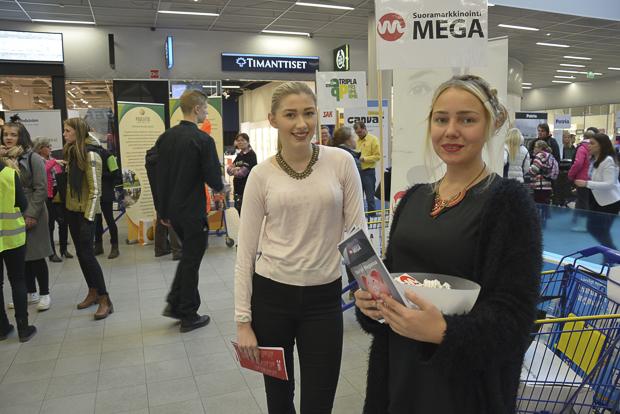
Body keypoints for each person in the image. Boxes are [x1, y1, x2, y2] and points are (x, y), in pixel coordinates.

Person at [354, 75, 541, 414]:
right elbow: (395, 277)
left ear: (490, 125)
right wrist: (372, 305)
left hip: (462, 388)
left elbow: (515, 318)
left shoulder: (508, 203)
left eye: (467, 120)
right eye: (441, 119)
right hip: (397, 374)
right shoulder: (413, 198)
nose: (451, 131)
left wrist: (444, 331)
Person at [235, 81, 366, 414]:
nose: (301, 123)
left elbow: (357, 235)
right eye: (290, 115)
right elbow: (245, 253)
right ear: (273, 119)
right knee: (279, 401)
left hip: (324, 299)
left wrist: (371, 290)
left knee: (319, 402)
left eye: (308, 113)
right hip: (271, 298)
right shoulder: (261, 175)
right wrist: (243, 322)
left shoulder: (341, 162)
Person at [155, 89, 223, 333]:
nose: (206, 113)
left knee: (188, 257)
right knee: (192, 260)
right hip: (193, 211)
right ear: (196, 109)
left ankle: (175, 304)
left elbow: (158, 176)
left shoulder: (165, 138)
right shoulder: (203, 140)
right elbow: (213, 177)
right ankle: (188, 313)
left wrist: (162, 210)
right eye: (205, 108)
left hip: (173, 212)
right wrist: (222, 187)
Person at [64, 117, 113, 320]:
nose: (64, 134)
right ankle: (92, 291)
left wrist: (89, 219)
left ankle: (105, 299)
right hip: (72, 211)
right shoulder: (72, 152)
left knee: (88, 256)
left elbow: (95, 190)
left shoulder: (91, 154)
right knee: (81, 255)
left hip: (86, 213)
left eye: (68, 131)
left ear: (78, 132)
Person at [1, 121, 53, 312]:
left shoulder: (33, 158)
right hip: (12, 213)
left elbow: (41, 188)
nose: (8, 138)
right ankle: (30, 292)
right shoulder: (3, 158)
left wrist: (31, 214)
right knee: (21, 256)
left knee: (37, 255)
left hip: (33, 209)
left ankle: (45, 293)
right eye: (5, 134)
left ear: (21, 137)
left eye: (13, 134)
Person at [0, 158, 37, 342]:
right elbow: (22, 204)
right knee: (18, 280)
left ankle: (2, 328)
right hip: (12, 236)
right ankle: (23, 328)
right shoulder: (9, 174)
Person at [574, 133, 620, 250]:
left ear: (601, 145)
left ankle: (612, 254)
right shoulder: (595, 160)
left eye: (592, 143)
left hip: (609, 202)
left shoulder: (608, 160)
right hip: (597, 200)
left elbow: (609, 184)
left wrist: (586, 184)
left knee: (600, 230)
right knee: (594, 228)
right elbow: (595, 179)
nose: (589, 146)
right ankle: (610, 254)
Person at [32, 138, 72, 263]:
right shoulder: (37, 161)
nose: (50, 148)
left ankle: (64, 249)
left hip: (58, 196)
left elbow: (59, 175)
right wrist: (54, 162)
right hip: (47, 197)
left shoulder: (53, 160)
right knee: (50, 226)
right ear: (40, 148)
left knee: (63, 222)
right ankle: (52, 253)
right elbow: (44, 170)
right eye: (48, 146)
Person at [91, 135, 122, 259]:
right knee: (97, 221)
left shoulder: (108, 155)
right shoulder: (91, 155)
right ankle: (98, 246)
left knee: (109, 220)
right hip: (95, 192)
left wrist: (100, 174)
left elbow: (116, 173)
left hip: (106, 192)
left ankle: (115, 247)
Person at [568, 130, 595, 231]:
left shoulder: (582, 148)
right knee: (589, 201)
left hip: (582, 179)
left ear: (584, 137)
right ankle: (587, 223)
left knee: (582, 202)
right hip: (593, 178)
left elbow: (578, 163)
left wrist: (571, 174)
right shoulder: (595, 148)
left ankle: (583, 225)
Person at [354, 121, 381, 214]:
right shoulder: (356, 141)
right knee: (358, 198)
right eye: (357, 133)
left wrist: (364, 159)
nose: (359, 134)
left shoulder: (373, 139)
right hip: (357, 172)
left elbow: (378, 156)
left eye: (360, 132)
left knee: (370, 198)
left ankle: (372, 217)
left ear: (365, 129)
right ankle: (360, 218)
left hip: (368, 172)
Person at [226, 133, 257, 213]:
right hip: (238, 190)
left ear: (248, 142)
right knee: (239, 212)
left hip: (247, 191)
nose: (240, 142)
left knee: (246, 214)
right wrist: (237, 169)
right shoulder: (240, 155)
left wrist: (235, 169)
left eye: (242, 140)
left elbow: (241, 174)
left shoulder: (251, 155)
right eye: (238, 140)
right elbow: (228, 170)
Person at [527, 140, 559, 205]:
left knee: (538, 205)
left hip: (539, 185)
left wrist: (527, 169)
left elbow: (534, 170)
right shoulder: (550, 156)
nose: (534, 149)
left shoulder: (539, 156)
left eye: (535, 147)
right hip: (548, 185)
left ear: (540, 148)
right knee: (546, 205)